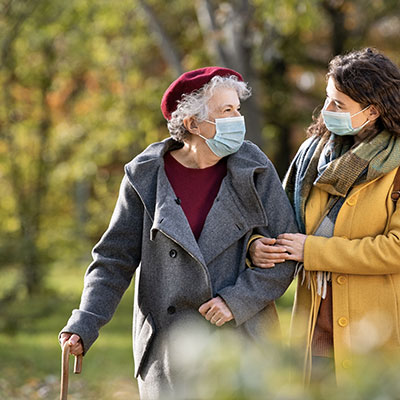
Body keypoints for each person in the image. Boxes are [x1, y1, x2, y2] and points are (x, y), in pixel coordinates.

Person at [59, 67, 298, 399]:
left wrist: (237, 300)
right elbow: (114, 260)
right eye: (226, 111)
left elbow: (287, 251)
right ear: (192, 123)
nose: (237, 119)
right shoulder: (144, 176)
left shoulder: (255, 168)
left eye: (237, 110)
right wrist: (84, 322)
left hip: (243, 343)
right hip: (168, 350)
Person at [249, 47, 400, 385]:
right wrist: (257, 245)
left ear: (372, 111)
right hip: (315, 329)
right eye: (328, 99)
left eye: (339, 104)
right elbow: (278, 221)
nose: (326, 111)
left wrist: (313, 251)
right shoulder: (312, 156)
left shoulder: (397, 167)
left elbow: (396, 248)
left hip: (377, 335)